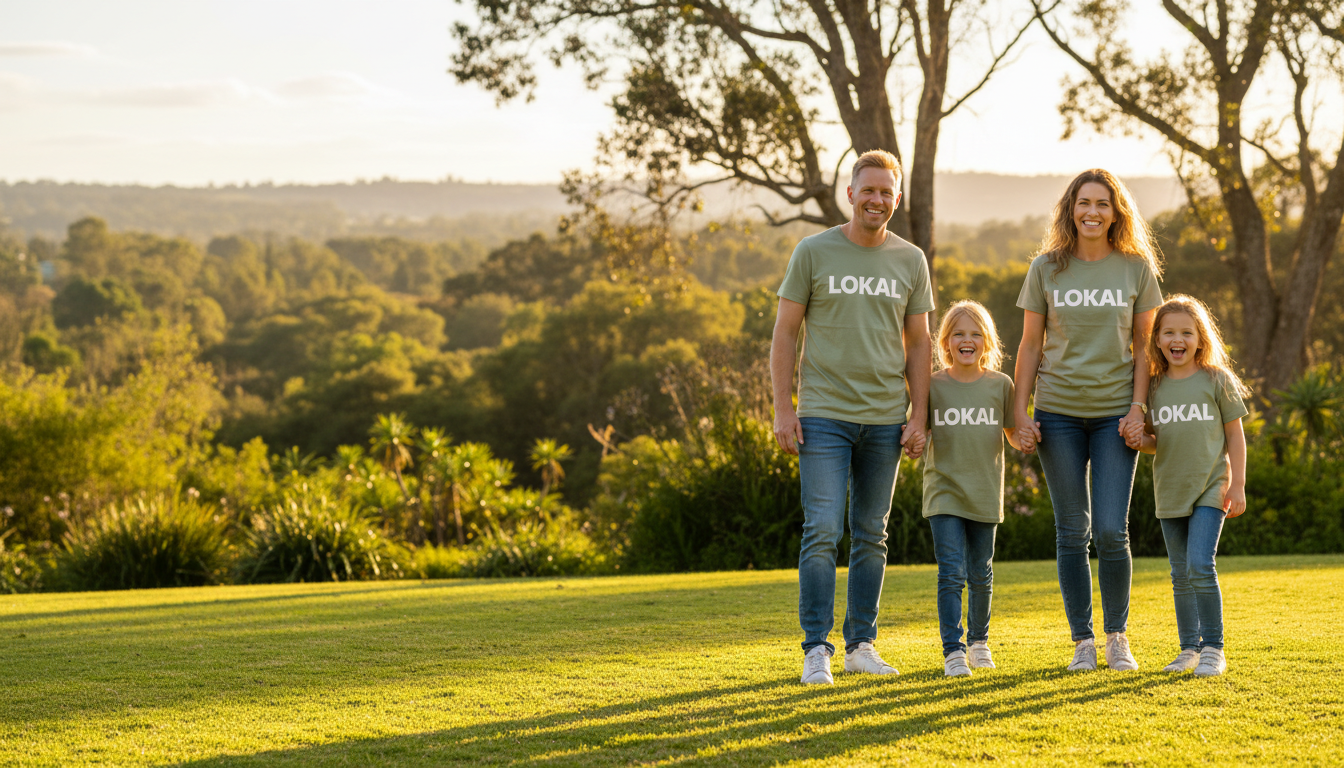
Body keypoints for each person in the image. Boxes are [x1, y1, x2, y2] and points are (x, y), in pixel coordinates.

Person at [771, 149, 935, 685]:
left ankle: (861, 644)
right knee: (821, 529)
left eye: (887, 192)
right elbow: (785, 334)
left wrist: (919, 415)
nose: (877, 199)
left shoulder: (910, 260)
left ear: (897, 199)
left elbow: (919, 344)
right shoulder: (814, 251)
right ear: (850, 193)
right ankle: (815, 648)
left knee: (871, 532)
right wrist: (782, 407)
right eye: (868, 190)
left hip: (886, 419)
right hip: (823, 415)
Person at [1013, 169, 1163, 672]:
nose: (1092, 212)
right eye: (1084, 203)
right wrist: (1019, 411)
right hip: (1056, 413)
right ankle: (1082, 641)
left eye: (1102, 203)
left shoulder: (1136, 268)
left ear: (1116, 211)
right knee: (1071, 531)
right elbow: (1031, 344)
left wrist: (1139, 409)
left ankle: (1117, 636)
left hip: (1116, 417)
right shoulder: (1046, 269)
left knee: (1111, 531)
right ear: (1070, 209)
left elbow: (1144, 349)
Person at [1125, 295, 1248, 677]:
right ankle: (1188, 649)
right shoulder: (1154, 387)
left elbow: (1235, 435)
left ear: (1200, 338)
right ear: (1157, 340)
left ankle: (1213, 648)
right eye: (1169, 333)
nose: (1177, 339)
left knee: (1200, 564)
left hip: (1211, 486)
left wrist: (1238, 484)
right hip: (1170, 490)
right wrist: (1137, 440)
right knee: (1180, 573)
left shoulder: (1216, 380)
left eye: (1186, 332)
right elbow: (1155, 441)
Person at [921, 300, 1024, 677]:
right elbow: (919, 428)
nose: (968, 340)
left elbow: (1013, 434)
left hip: (984, 491)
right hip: (943, 489)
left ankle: (979, 642)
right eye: (959, 334)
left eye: (976, 334)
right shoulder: (932, 384)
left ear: (987, 342)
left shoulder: (1001, 385)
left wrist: (1027, 437)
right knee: (951, 572)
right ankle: (954, 650)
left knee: (981, 572)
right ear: (946, 343)